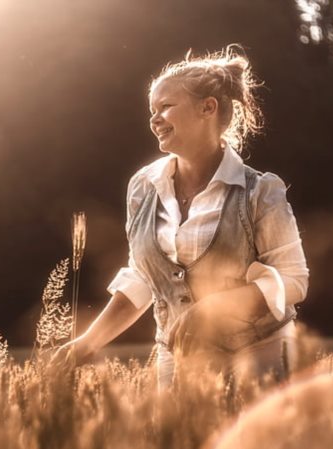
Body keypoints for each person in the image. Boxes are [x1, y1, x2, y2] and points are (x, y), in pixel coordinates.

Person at [53, 46, 309, 389]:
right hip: (177, 362)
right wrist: (87, 343)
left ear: (208, 107)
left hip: (260, 357)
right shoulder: (143, 187)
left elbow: (294, 281)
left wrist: (217, 307)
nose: (154, 119)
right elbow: (144, 278)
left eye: (166, 107)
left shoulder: (261, 191)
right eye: (152, 110)